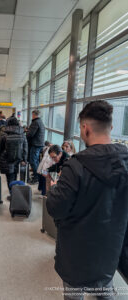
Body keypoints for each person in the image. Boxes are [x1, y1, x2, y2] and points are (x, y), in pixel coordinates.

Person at [46, 100, 128, 300]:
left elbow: (55, 208)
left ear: (85, 128)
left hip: (76, 254)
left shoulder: (75, 167)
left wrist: (54, 189)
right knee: (105, 289)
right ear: (111, 127)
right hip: (111, 250)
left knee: (74, 294)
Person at [0, 117, 28, 194]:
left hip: (6, 158)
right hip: (18, 158)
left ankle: (12, 193)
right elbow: (25, 148)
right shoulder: (22, 133)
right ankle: (15, 193)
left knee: (9, 177)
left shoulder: (4, 134)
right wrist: (24, 159)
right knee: (15, 175)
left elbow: (0, 148)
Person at [26, 109, 45, 184]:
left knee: (33, 161)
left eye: (32, 114)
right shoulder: (40, 121)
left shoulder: (35, 122)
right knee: (36, 161)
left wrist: (26, 134)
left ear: (34, 114)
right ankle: (36, 175)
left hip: (36, 144)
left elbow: (30, 134)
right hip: (39, 144)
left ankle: (36, 178)